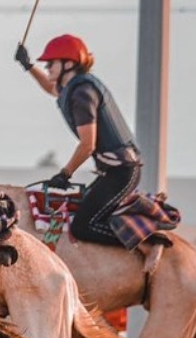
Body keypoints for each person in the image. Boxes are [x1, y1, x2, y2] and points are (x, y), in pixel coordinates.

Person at [15, 34, 142, 247]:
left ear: (69, 63)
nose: (47, 68)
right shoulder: (72, 87)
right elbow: (49, 87)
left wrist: (64, 174)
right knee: (84, 216)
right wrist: (27, 65)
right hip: (112, 171)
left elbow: (87, 145)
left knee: (83, 226)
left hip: (122, 172)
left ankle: (145, 241)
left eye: (51, 63)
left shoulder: (83, 94)